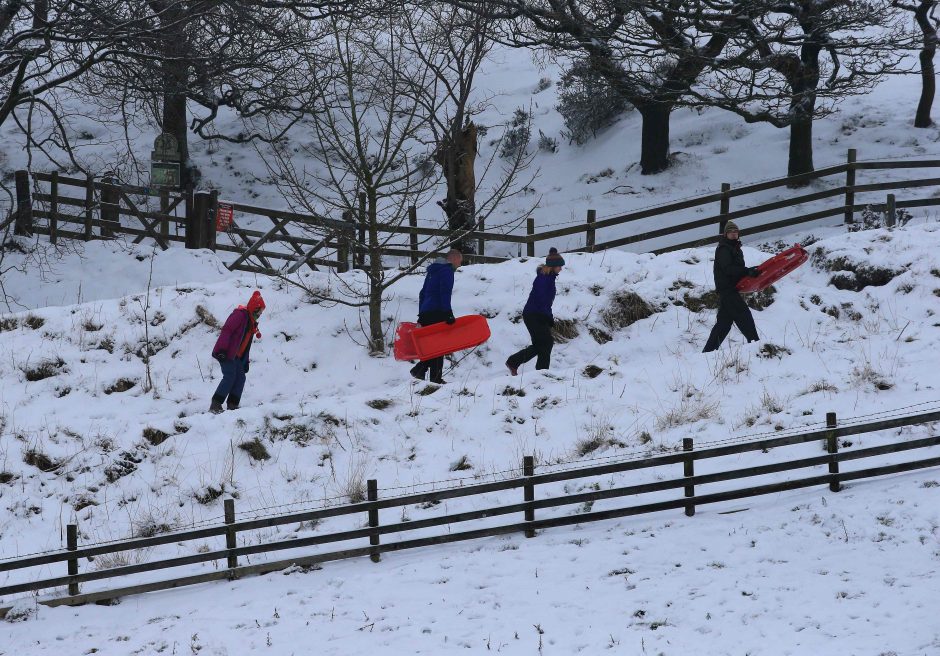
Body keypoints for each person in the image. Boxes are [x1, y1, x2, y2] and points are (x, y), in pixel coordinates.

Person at [702, 221, 760, 352]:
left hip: (732, 288)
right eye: (731, 232)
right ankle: (756, 344)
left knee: (724, 324)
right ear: (726, 234)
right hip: (727, 288)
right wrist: (746, 271)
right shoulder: (724, 249)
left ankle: (708, 352)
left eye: (736, 232)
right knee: (744, 314)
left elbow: (737, 270)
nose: (734, 234)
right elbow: (728, 269)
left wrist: (749, 273)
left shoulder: (735, 248)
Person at [506, 247, 565, 375]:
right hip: (534, 315)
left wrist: (548, 316)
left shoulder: (548, 278)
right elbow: (541, 299)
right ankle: (541, 373)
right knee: (546, 343)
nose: (561, 268)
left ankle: (514, 362)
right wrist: (547, 317)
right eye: (560, 266)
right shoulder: (544, 279)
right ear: (553, 266)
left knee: (541, 344)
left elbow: (545, 302)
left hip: (536, 314)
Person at [410, 249, 463, 384]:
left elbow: (422, 293)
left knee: (433, 345)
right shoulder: (447, 270)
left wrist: (422, 314)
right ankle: (430, 375)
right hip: (437, 311)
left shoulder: (432, 271)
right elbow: (444, 292)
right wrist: (448, 312)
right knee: (439, 345)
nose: (460, 265)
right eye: (460, 261)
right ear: (454, 259)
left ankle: (425, 373)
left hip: (427, 312)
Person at [210, 290, 265, 413]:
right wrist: (222, 350)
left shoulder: (251, 322)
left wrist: (245, 362)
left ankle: (233, 405)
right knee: (230, 375)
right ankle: (215, 405)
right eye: (260, 311)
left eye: (262, 312)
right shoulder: (240, 315)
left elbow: (246, 345)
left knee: (240, 378)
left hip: (237, 357)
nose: (261, 314)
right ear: (254, 308)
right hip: (225, 352)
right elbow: (227, 331)